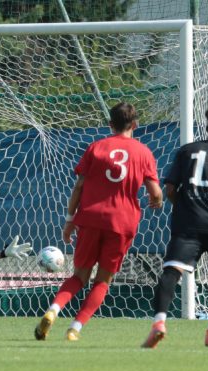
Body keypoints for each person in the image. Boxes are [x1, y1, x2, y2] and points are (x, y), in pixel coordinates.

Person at [34, 102, 163, 342]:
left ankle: (53, 311)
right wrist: (157, 200)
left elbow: (79, 186)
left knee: (78, 277)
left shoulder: (96, 147)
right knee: (102, 281)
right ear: (135, 124)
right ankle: (75, 329)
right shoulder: (143, 152)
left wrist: (70, 219)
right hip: (123, 222)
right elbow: (155, 191)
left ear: (110, 125)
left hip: (91, 218)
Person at [142, 104, 208, 349]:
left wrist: (182, 206)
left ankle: (159, 322)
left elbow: (170, 189)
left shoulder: (187, 151)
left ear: (206, 126)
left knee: (171, 272)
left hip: (188, 223)